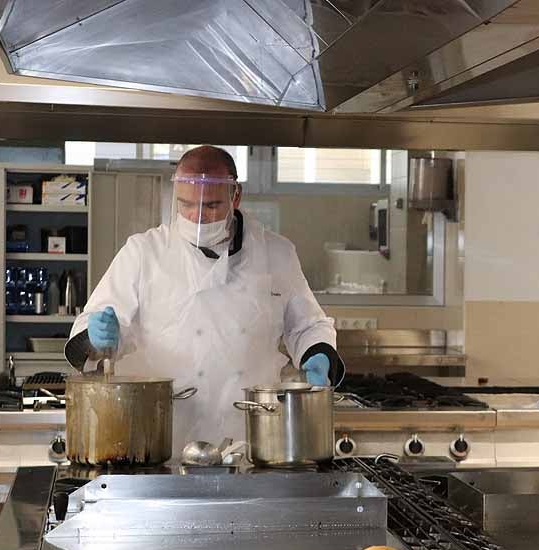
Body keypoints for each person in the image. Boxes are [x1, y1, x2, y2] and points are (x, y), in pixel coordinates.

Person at [67, 146, 343, 456]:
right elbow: (94, 331)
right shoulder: (144, 252)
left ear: (235, 196)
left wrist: (317, 354)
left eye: (211, 206)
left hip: (249, 437)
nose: (197, 218)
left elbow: (308, 325)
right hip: (159, 436)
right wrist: (95, 337)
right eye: (185, 205)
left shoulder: (276, 254)